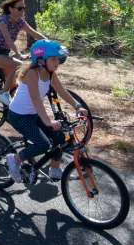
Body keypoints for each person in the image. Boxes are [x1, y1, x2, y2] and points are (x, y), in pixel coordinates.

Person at [5, 39, 89, 183]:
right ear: (40, 60)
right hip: (18, 116)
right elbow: (36, 99)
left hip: (32, 114)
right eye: (53, 59)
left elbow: (61, 91)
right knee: (43, 144)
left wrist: (77, 106)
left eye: (58, 58)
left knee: (60, 137)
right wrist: (47, 121)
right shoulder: (32, 74)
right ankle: (14, 159)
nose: (58, 62)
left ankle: (55, 169)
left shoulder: (50, 73)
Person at [0, 0, 46, 106]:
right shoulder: (3, 21)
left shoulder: (20, 22)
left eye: (24, 8)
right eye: (19, 8)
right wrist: (18, 54)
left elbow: (35, 34)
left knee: (14, 85)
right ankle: (3, 93)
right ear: (11, 9)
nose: (22, 11)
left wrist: (51, 44)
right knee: (17, 64)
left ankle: (12, 111)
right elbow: (8, 39)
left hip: (4, 53)